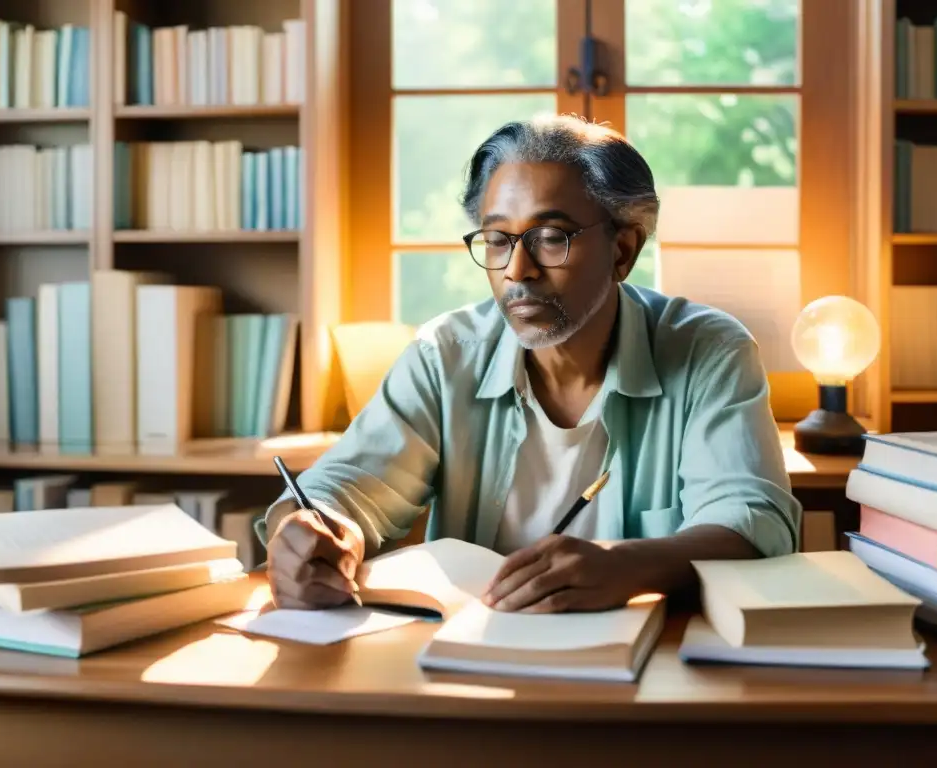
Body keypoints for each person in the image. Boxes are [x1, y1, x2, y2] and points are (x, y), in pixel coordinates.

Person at [264, 114, 802, 615]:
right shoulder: (444, 354)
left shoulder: (709, 350)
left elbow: (753, 521)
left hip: (652, 664)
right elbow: (346, 485)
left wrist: (625, 566)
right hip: (465, 660)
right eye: (498, 239)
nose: (517, 270)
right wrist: (312, 530)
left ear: (623, 250)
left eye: (551, 237)